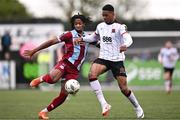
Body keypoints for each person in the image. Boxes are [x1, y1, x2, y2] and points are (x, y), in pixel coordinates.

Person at [74, 4, 144, 118]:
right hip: (104, 58)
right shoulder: (100, 26)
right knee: (92, 74)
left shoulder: (120, 26)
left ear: (113, 14)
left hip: (117, 60)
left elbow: (128, 38)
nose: (104, 17)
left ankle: (137, 107)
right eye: (103, 15)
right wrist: (82, 39)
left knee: (124, 88)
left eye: (106, 15)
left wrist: (125, 45)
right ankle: (104, 104)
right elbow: (94, 38)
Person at [23, 14, 91, 120]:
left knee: (63, 96)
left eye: (80, 23)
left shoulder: (88, 37)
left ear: (84, 24)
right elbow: (51, 42)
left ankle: (43, 112)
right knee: (52, 80)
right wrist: (34, 50)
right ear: (73, 25)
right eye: (75, 24)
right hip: (65, 63)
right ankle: (40, 79)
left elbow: (100, 44)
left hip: (74, 70)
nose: (78, 25)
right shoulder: (68, 35)